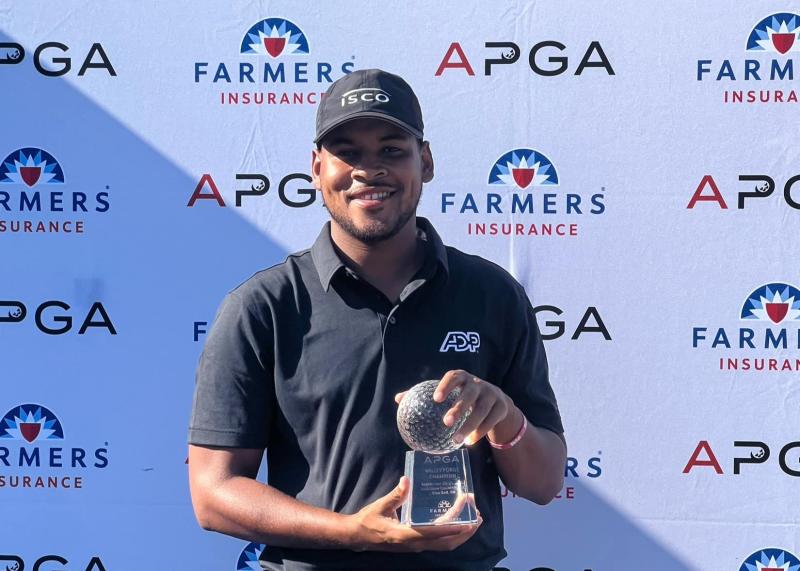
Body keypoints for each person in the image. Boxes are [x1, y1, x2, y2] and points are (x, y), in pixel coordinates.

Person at [188, 68, 567, 571]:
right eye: (348, 152)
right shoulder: (264, 306)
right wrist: (351, 533)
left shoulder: (492, 295)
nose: (369, 170)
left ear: (425, 162)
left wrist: (505, 419)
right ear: (317, 168)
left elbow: (542, 484)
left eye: (392, 150)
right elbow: (213, 495)